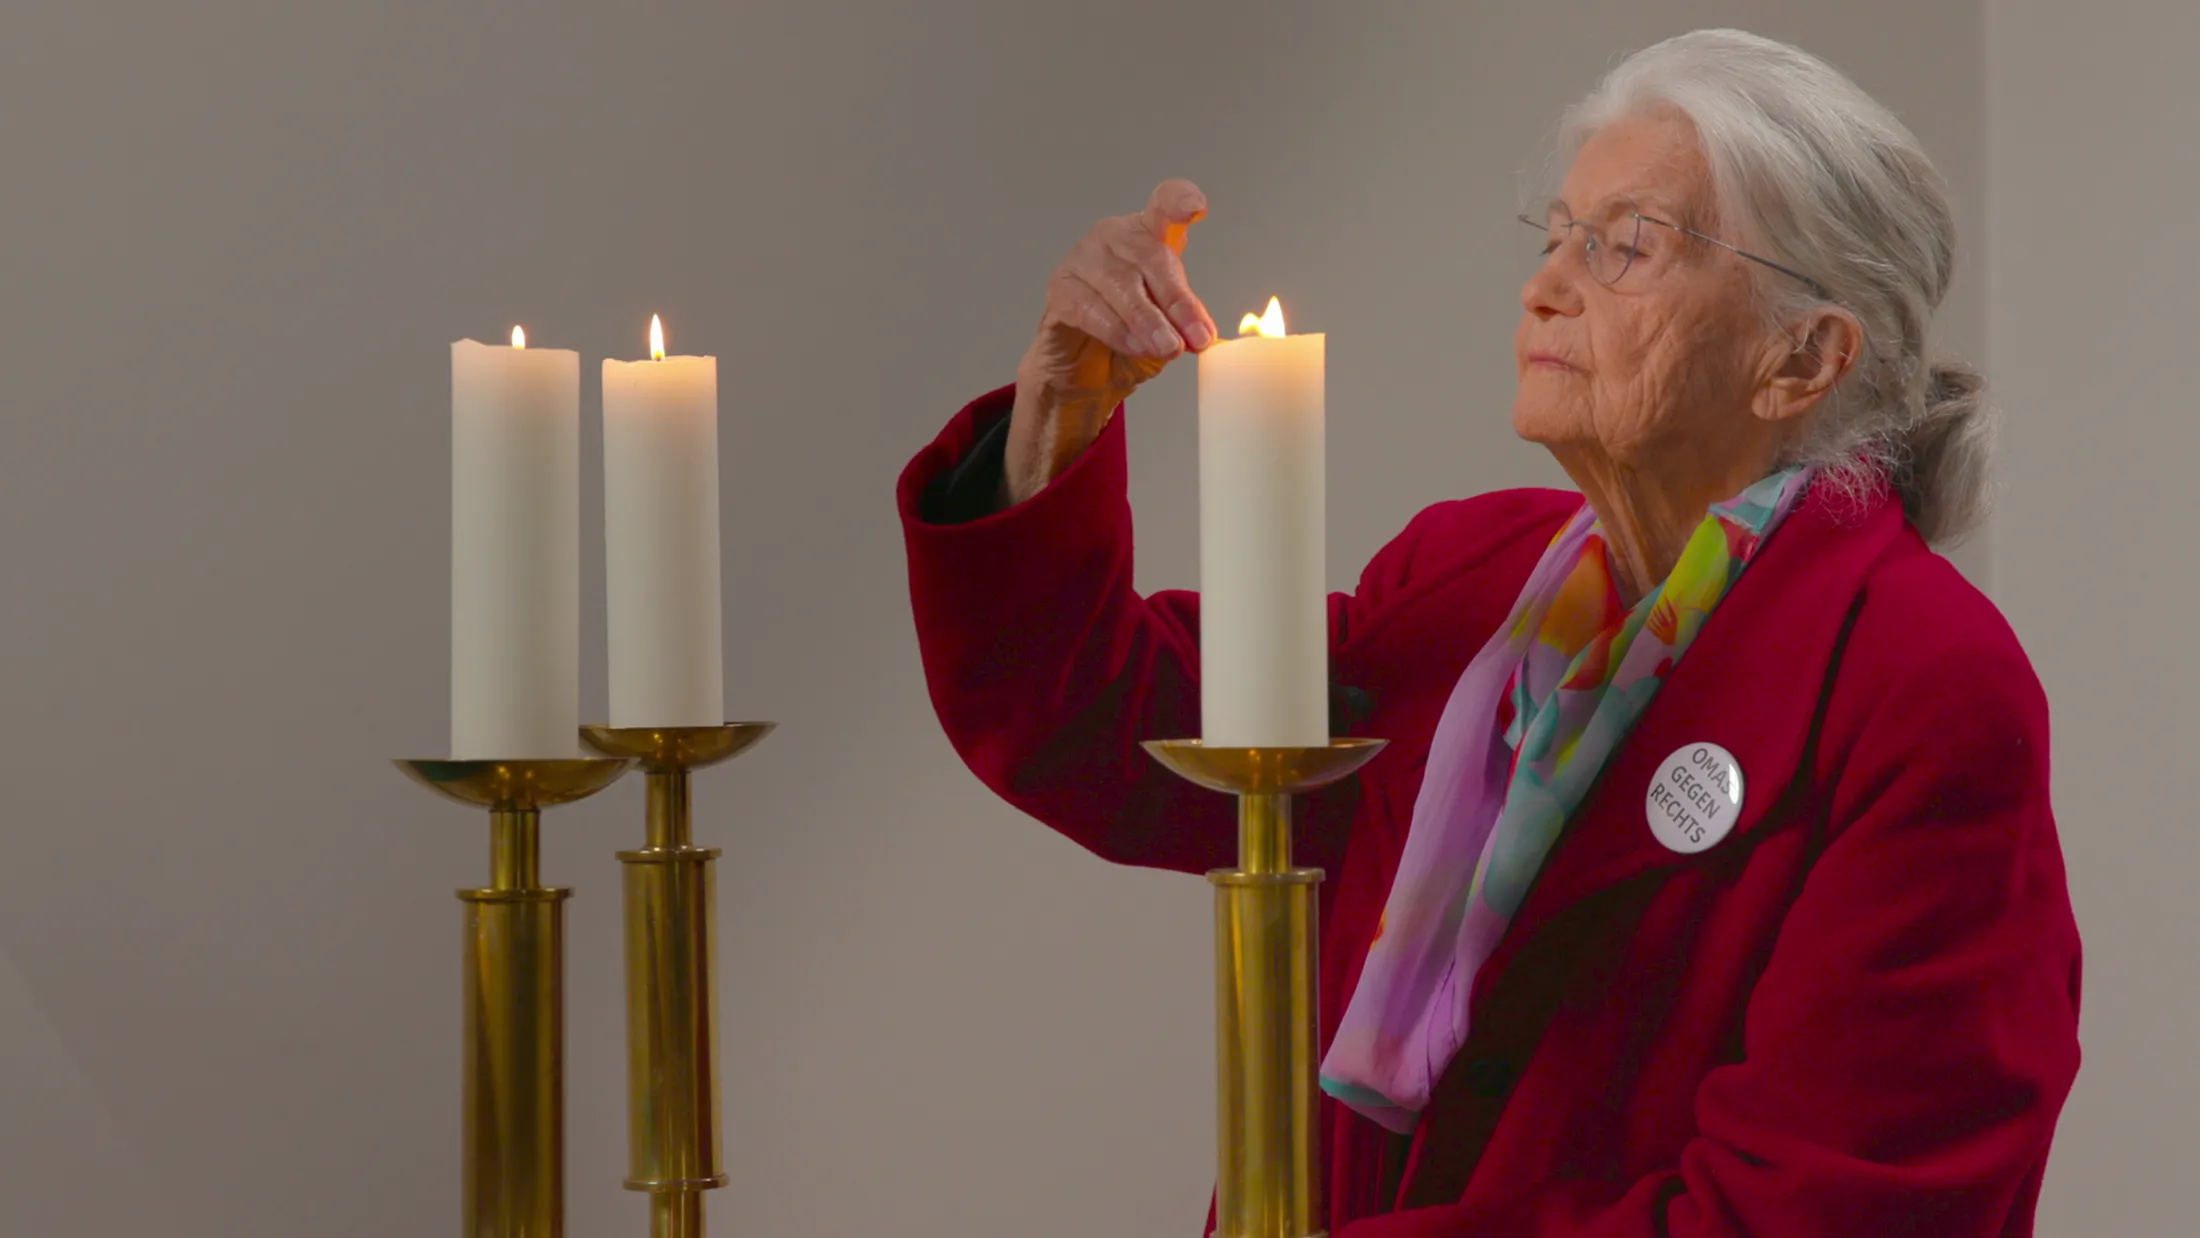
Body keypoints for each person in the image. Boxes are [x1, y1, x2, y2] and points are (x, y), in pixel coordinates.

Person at [895, 28, 2081, 1238]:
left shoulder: (1923, 686)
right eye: (1559, 232)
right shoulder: (1466, 577)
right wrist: (1057, 417)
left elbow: (1833, 1211)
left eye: (1628, 244)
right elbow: (1098, 727)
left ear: (1803, 355)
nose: (1546, 283)